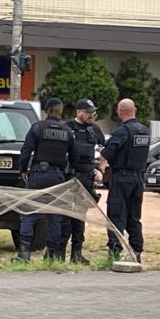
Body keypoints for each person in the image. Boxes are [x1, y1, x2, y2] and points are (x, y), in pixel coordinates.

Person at [16, 97, 75, 262]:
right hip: (58, 176)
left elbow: (26, 151)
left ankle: (24, 253)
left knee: (29, 212)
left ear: (48, 111)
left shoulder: (37, 128)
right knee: (54, 215)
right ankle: (52, 254)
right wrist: (67, 176)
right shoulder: (67, 131)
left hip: (38, 175)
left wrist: (23, 170)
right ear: (60, 112)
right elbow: (74, 156)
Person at [100, 98, 150, 263]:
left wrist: (101, 168)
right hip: (138, 179)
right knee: (134, 217)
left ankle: (114, 252)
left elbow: (108, 152)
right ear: (135, 110)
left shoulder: (122, 131)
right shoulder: (144, 131)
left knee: (116, 215)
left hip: (122, 178)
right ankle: (136, 251)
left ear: (120, 112)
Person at [60, 98, 106, 264]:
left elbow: (105, 151)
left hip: (87, 179)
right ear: (79, 112)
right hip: (69, 178)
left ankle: (77, 254)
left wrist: (100, 169)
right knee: (64, 217)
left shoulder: (95, 129)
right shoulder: (66, 127)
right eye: (88, 113)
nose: (91, 116)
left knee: (80, 218)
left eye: (93, 113)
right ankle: (59, 254)